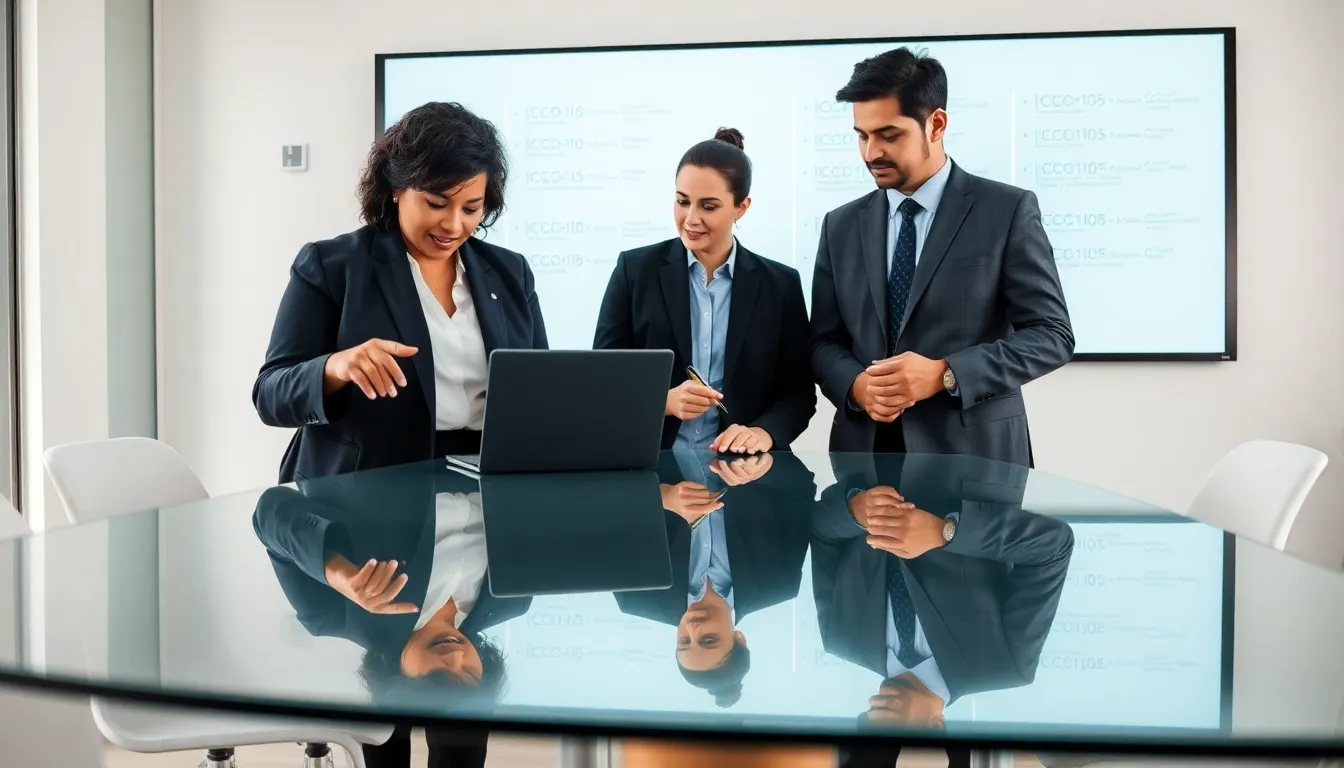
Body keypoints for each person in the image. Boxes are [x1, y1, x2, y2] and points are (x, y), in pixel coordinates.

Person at [253, 101, 548, 484]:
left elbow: (541, 387)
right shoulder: (330, 266)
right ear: (396, 188)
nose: (453, 224)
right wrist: (333, 368)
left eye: (472, 209)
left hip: (487, 489)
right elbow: (270, 395)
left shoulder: (511, 273)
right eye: (436, 203)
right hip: (367, 492)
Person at [808, 47, 1074, 466]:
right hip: (865, 465)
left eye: (889, 135)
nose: (870, 152)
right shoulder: (839, 225)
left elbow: (1052, 335)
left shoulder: (1006, 211)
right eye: (862, 135)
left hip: (976, 463)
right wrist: (858, 387)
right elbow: (823, 341)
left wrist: (945, 374)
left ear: (936, 123)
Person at [253, 461, 528, 768]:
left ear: (397, 685)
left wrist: (337, 572)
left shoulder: (333, 614)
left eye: (437, 676)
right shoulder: (511, 600)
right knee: (461, 735)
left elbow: (269, 512)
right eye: (468, 674)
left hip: (393, 453)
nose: (454, 659)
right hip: (486, 452)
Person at [812, 452, 1075, 767]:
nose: (875, 717)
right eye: (893, 739)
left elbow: (821, 531)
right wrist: (946, 533)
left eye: (869, 729)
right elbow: (1052, 547)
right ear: (936, 727)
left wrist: (854, 511)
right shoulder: (1003, 663)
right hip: (969, 449)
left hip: (868, 442)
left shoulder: (841, 638)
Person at [594, 127, 815, 454]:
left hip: (745, 474)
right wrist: (662, 401)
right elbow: (601, 379)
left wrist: (763, 433)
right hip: (653, 470)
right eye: (682, 202)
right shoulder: (635, 271)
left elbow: (798, 395)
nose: (690, 219)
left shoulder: (780, 285)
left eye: (708, 206)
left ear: (741, 207)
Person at [615, 449, 815, 707]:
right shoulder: (777, 582)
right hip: (738, 425)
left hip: (656, 433)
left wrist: (661, 497)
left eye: (684, 641)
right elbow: (799, 489)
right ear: (739, 638)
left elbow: (607, 502)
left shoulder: (637, 596)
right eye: (709, 640)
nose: (693, 630)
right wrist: (763, 467)